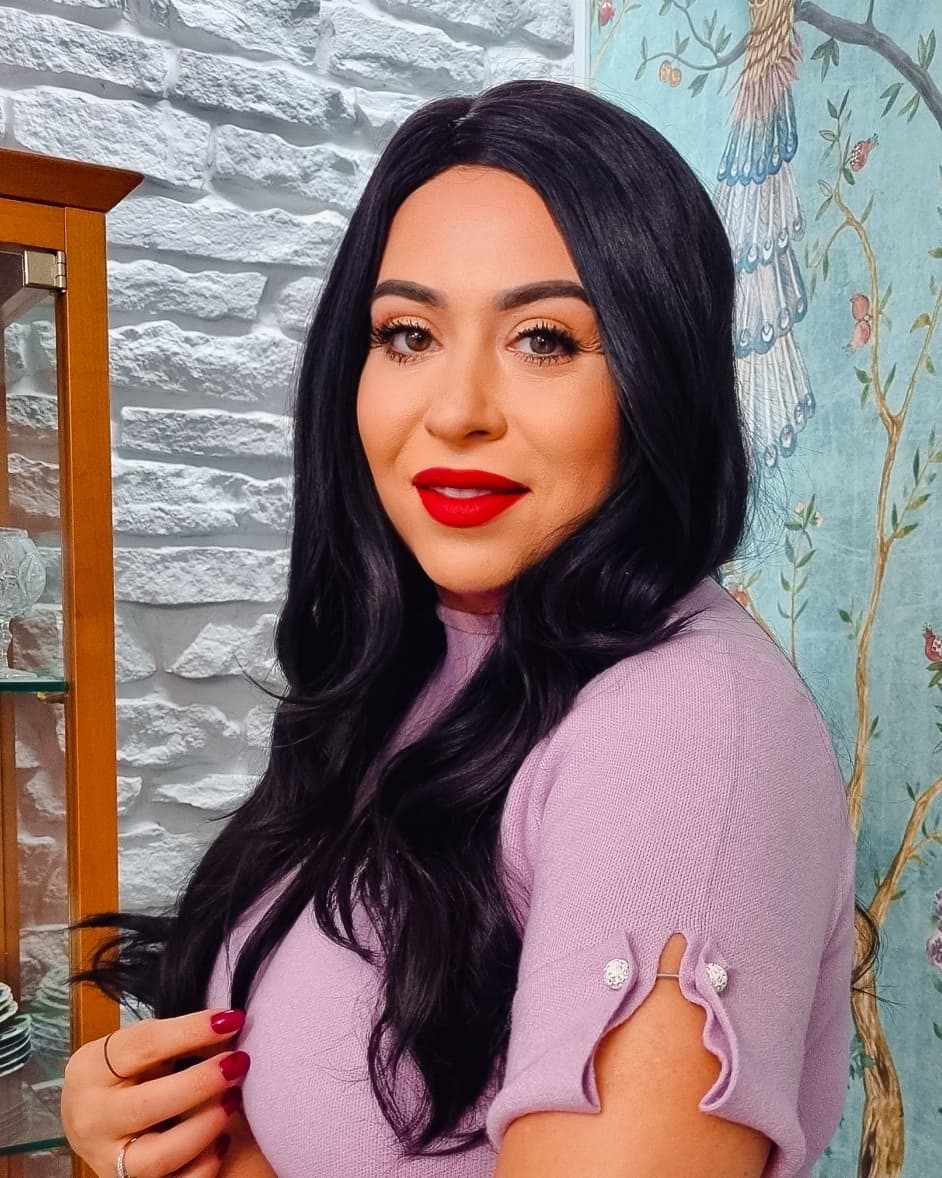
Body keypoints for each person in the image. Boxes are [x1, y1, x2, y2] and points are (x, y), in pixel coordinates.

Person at [61, 79, 877, 1178]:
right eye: (408, 334)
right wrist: (172, 1135)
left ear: (660, 375)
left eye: (544, 339)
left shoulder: (686, 728)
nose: (455, 411)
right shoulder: (423, 662)